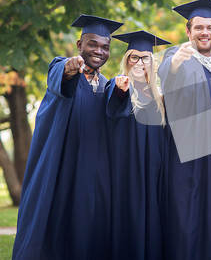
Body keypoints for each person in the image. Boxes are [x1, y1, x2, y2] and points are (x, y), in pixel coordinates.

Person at [13, 15, 123, 260]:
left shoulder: (107, 87)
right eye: (92, 44)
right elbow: (59, 77)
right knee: (55, 226)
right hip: (61, 170)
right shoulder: (62, 68)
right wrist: (68, 69)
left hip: (92, 176)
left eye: (105, 47)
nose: (99, 51)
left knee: (89, 228)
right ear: (79, 45)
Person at [157, 0, 211, 260]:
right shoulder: (178, 55)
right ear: (188, 31)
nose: (205, 33)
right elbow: (165, 75)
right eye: (199, 28)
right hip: (186, 154)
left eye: (210, 28)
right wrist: (176, 61)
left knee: (210, 215)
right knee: (186, 217)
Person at [105, 30, 170, 260]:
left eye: (146, 58)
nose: (140, 62)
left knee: (153, 217)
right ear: (127, 60)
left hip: (155, 171)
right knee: (129, 217)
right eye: (135, 57)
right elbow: (114, 105)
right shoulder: (119, 87)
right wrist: (120, 89)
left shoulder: (159, 96)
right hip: (127, 171)